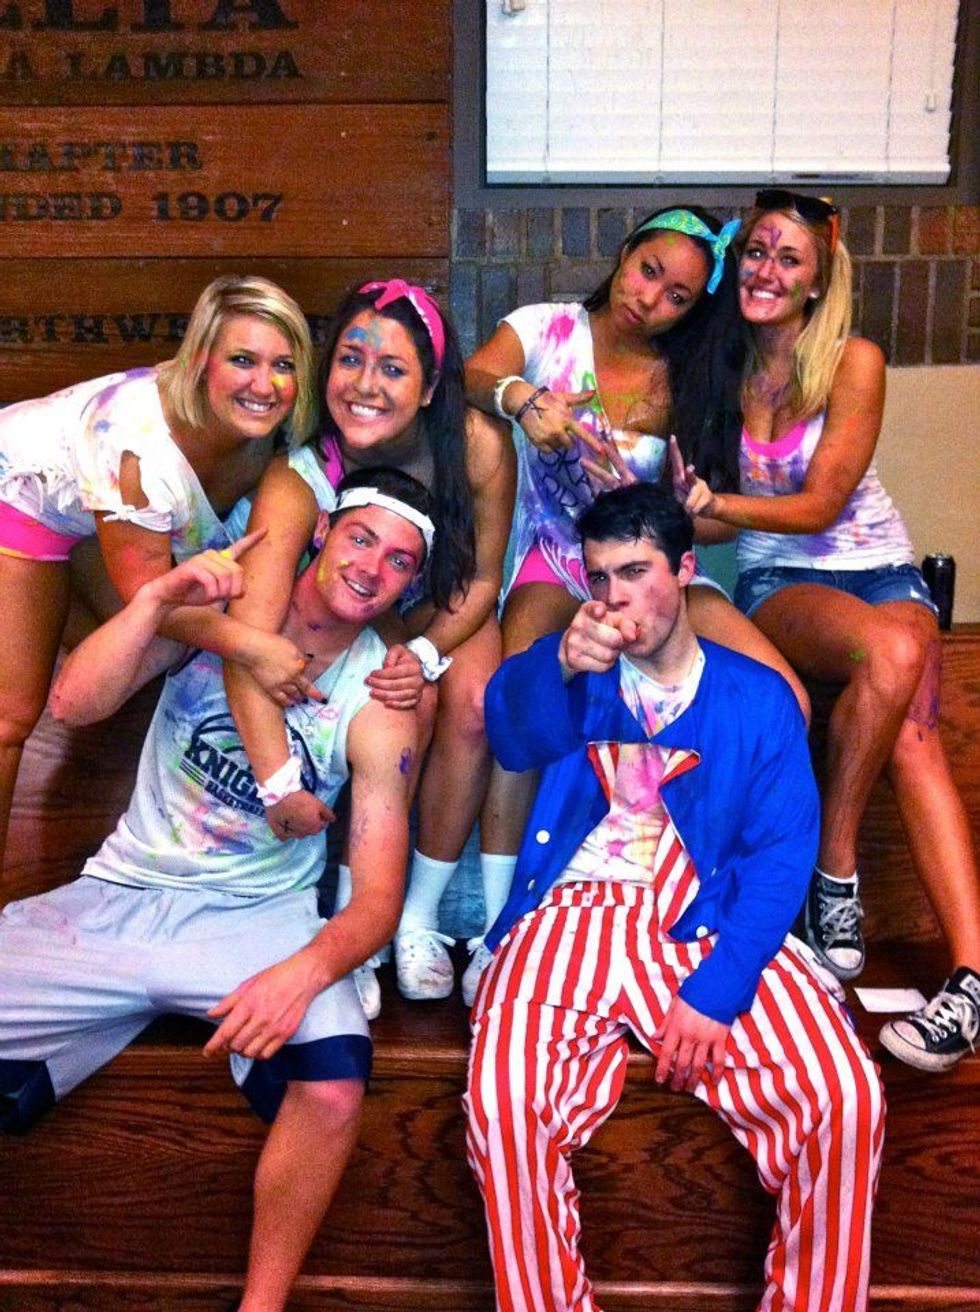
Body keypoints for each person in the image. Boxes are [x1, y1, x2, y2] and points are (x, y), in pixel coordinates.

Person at [0, 466, 433, 1312]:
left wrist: (301, 975)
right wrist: (157, 601)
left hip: (255, 918)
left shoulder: (379, 698)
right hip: (121, 894)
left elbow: (378, 900)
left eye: (399, 561)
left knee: (334, 1081)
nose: (371, 568)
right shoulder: (228, 623)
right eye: (361, 538)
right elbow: (74, 702)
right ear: (322, 533)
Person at [464, 482, 884, 1312]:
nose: (613, 596)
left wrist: (719, 990)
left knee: (845, 1099)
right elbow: (509, 734)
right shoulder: (576, 668)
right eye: (598, 577)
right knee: (504, 1104)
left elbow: (780, 856)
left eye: (634, 572)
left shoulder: (756, 695)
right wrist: (557, 663)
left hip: (710, 914)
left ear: (686, 569)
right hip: (571, 910)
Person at [461, 206, 809, 1008]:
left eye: (678, 296)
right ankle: (499, 926)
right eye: (649, 271)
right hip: (556, 554)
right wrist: (523, 398)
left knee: (782, 696)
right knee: (523, 697)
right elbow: (471, 377)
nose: (651, 299)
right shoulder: (546, 328)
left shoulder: (692, 379)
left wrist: (694, 504)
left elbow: (716, 519)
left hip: (654, 568)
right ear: (623, 254)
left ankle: (743, 901)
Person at [672, 189, 980, 1072]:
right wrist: (688, 507)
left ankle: (963, 977)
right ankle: (834, 879)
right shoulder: (722, 366)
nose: (766, 270)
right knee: (892, 655)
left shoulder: (855, 361)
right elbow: (729, 518)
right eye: (756, 252)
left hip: (879, 566)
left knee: (914, 729)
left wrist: (715, 502)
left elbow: (822, 503)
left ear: (817, 281)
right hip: (784, 579)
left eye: (789, 259)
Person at [222, 279, 514, 1016]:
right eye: (350, 359)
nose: (365, 385)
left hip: (441, 602)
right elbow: (253, 627)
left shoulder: (476, 446)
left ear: (430, 388)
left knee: (475, 705)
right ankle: (358, 925)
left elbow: (482, 579)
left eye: (393, 368)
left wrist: (427, 652)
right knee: (401, 705)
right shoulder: (303, 470)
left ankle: (417, 917)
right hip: (352, 612)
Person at [0, 274, 319, 874]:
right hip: (21, 494)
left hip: (104, 525)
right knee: (11, 717)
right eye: (242, 360)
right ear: (200, 360)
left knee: (144, 656)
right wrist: (255, 648)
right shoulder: (138, 455)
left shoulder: (272, 426)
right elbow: (152, 600)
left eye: (283, 365)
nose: (264, 384)